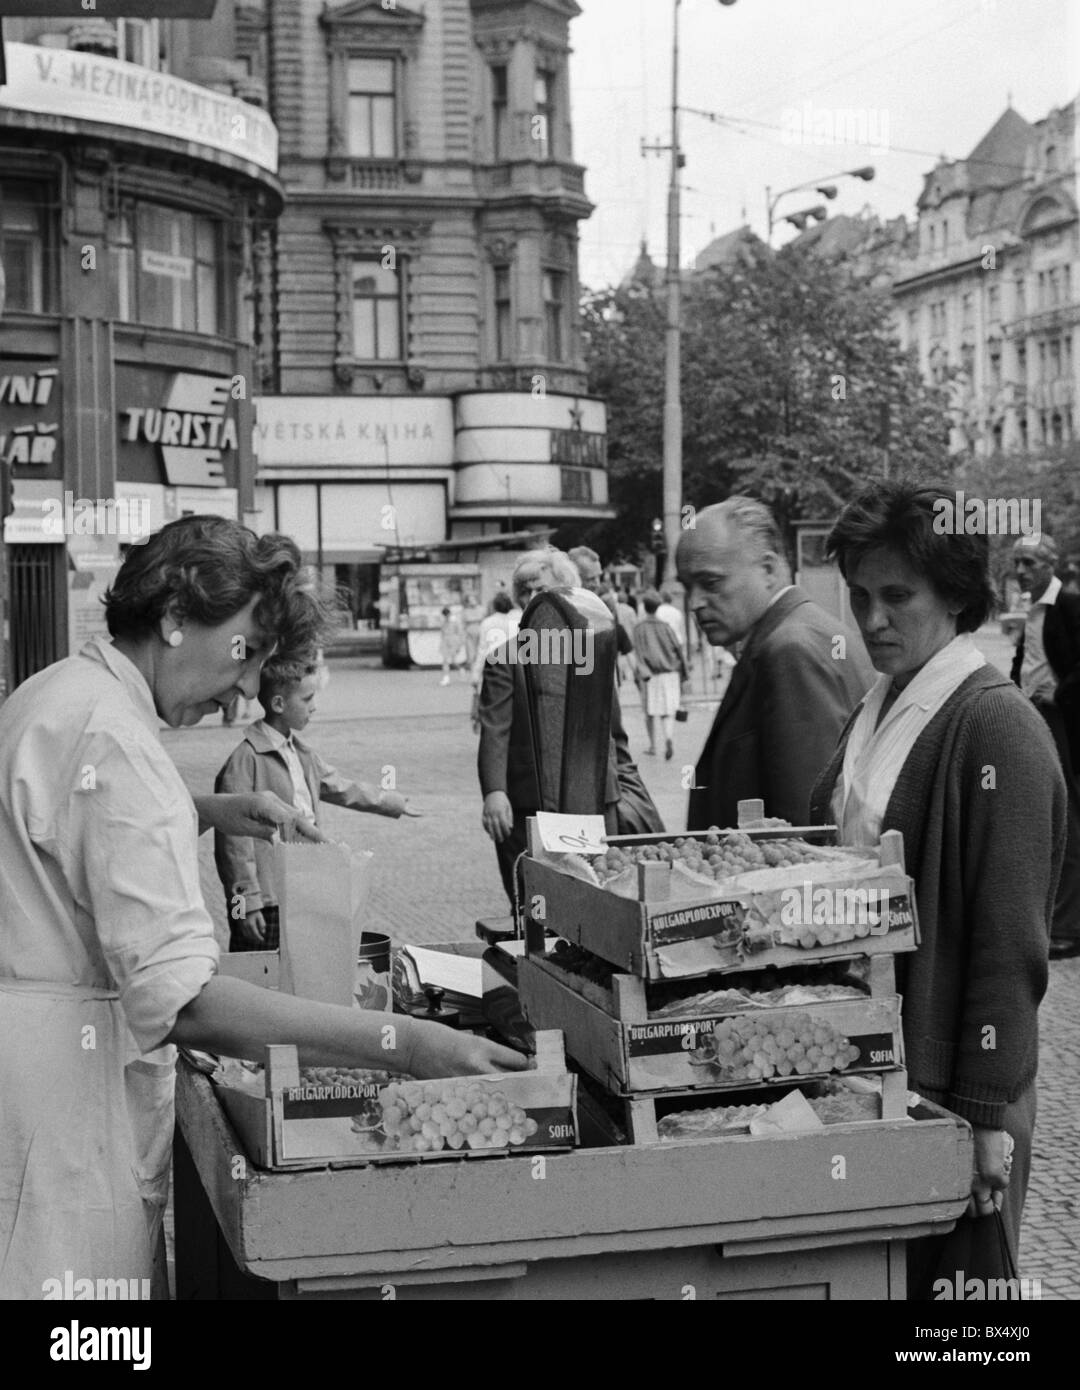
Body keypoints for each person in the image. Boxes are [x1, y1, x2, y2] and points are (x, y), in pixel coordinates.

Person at [0, 515, 525, 1300]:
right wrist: (406, 1044)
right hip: (63, 1117)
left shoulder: (60, 693)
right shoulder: (116, 742)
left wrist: (206, 811)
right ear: (176, 617)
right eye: (244, 650)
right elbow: (187, 1002)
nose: (247, 687)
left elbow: (69, 827)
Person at [807, 480, 1063, 1298]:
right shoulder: (879, 701)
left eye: (896, 595)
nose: (871, 619)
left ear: (955, 596)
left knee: (960, 1329)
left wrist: (987, 1118)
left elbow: (1009, 942)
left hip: (955, 1087)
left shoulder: (996, 725)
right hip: (876, 1071)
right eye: (858, 595)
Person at [477, 548, 661, 908]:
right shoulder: (504, 658)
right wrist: (494, 791)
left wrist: (626, 783)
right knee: (532, 900)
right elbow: (494, 729)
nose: (533, 598)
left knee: (596, 896)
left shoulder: (591, 652)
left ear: (564, 593)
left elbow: (614, 732)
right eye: (525, 590)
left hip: (593, 800)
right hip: (527, 805)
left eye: (541, 589)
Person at [677, 496, 873, 829]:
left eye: (710, 583)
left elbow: (806, 832)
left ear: (767, 570)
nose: (694, 602)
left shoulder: (791, 651)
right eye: (687, 586)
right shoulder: (799, 634)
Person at [215, 655, 421, 952]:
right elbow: (232, 841)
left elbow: (340, 785)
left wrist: (392, 802)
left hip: (303, 884)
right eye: (308, 698)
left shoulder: (301, 752)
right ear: (278, 705)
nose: (314, 706)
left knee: (303, 967)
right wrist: (246, 904)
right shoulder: (245, 760)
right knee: (261, 972)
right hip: (269, 897)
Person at [1009, 534, 1080, 959]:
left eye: (1030, 563)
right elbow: (1027, 663)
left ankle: (1070, 927)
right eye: (1017, 562)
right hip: (1037, 717)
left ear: (1051, 566)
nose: (1021, 571)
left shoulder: (1069, 606)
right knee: (1049, 813)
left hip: (1064, 722)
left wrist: (1059, 696)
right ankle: (1056, 916)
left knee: (1068, 817)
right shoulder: (1032, 610)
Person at [633, 590, 689, 759]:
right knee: (668, 710)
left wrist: (640, 673)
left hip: (650, 674)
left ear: (645, 606)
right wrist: (684, 674)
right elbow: (678, 649)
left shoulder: (639, 628)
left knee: (649, 712)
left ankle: (652, 745)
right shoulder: (665, 627)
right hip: (670, 672)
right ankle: (669, 738)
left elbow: (638, 652)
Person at [655, 588, 688, 658]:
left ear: (661, 599)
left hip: (663, 642)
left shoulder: (657, 611)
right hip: (677, 640)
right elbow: (681, 627)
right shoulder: (677, 611)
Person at [439, 605, 465, 686]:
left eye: (447, 615)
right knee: (445, 660)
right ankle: (446, 678)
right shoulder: (443, 622)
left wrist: (459, 645)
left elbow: (460, 633)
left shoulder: (455, 621)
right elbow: (442, 633)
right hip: (445, 642)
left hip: (454, 642)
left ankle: (461, 669)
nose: (446, 616)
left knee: (453, 661)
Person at [462, 593, 485, 670]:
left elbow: (484, 620)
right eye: (470, 600)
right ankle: (473, 672)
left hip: (480, 633)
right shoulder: (465, 611)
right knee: (471, 654)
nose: (472, 601)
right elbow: (463, 623)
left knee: (480, 652)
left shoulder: (482, 609)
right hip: (469, 633)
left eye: (473, 599)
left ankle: (480, 671)